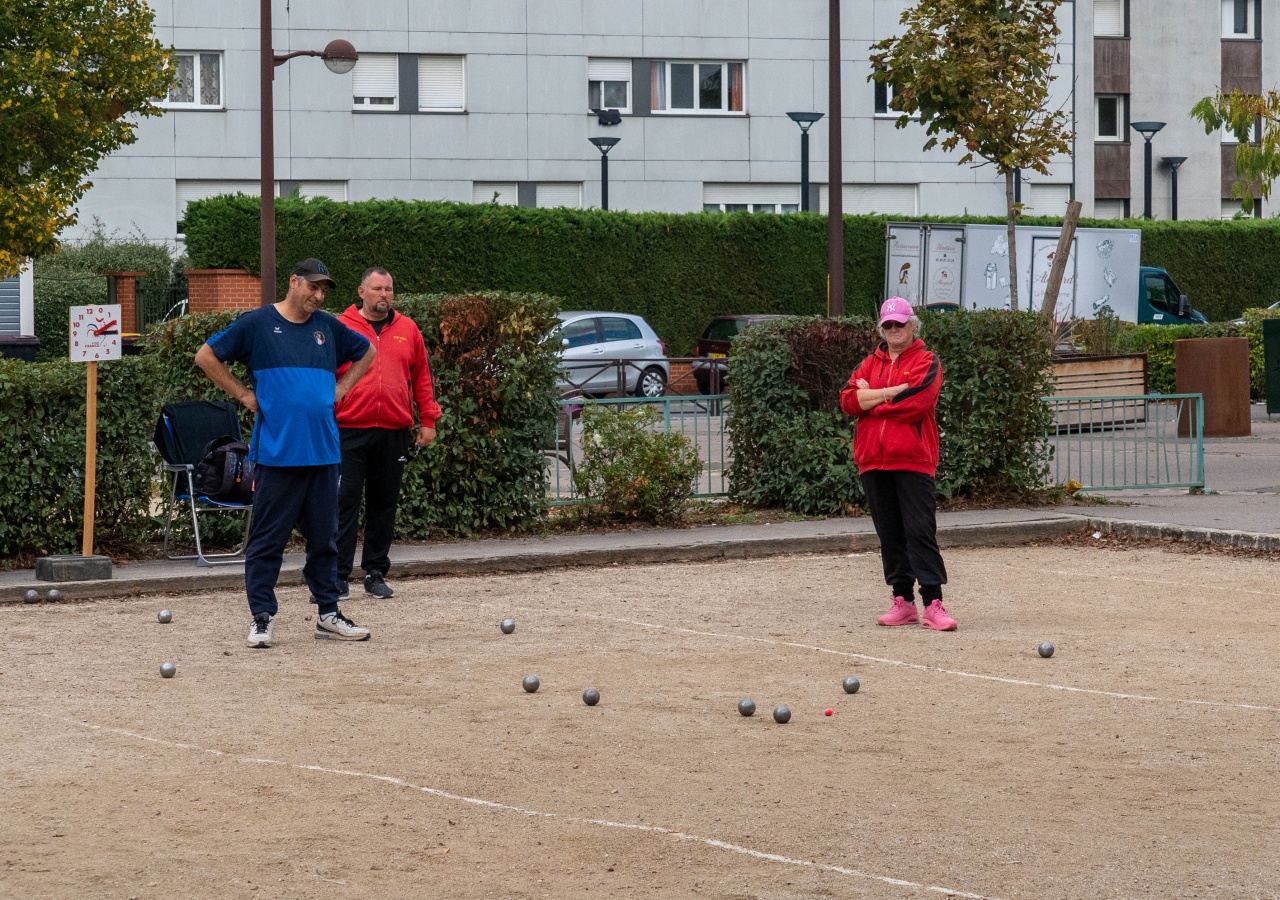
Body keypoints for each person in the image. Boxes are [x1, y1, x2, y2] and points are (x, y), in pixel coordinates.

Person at [195, 258, 377, 648]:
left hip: (324, 454)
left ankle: (328, 614)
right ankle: (262, 618)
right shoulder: (257, 324)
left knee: (325, 540)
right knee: (267, 542)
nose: (318, 295)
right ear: (294, 282)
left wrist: (342, 389)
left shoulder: (328, 327)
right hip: (276, 456)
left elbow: (367, 352)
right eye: (312, 287)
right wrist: (243, 394)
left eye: (323, 289)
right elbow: (205, 356)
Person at [839, 297, 956, 631]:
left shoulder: (927, 360)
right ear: (882, 328)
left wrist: (872, 398)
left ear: (912, 325)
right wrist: (890, 391)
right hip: (873, 461)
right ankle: (902, 601)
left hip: (913, 460)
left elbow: (915, 402)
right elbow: (848, 401)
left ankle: (933, 602)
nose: (893, 330)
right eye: (888, 325)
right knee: (889, 534)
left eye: (899, 324)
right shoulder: (867, 364)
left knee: (920, 532)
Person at [334, 266, 441, 599]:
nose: (384, 295)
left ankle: (375, 572)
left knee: (384, 505)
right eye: (377, 289)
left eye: (389, 289)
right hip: (348, 429)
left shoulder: (407, 329)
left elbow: (422, 376)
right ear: (361, 291)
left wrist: (428, 420)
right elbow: (323, 373)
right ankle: (335, 576)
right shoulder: (339, 326)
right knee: (342, 502)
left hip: (393, 430)